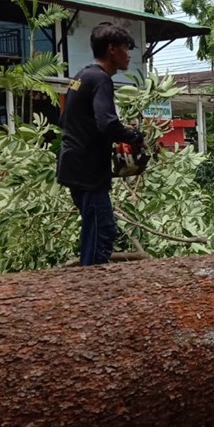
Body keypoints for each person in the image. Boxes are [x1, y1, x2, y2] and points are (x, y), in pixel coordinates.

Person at [57, 23, 143, 266]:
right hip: (88, 172)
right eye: (126, 49)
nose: (129, 55)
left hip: (73, 165)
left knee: (93, 229)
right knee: (102, 231)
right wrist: (134, 137)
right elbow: (107, 123)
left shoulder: (81, 76)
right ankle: (92, 291)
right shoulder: (101, 79)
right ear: (111, 49)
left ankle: (87, 286)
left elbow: (66, 119)